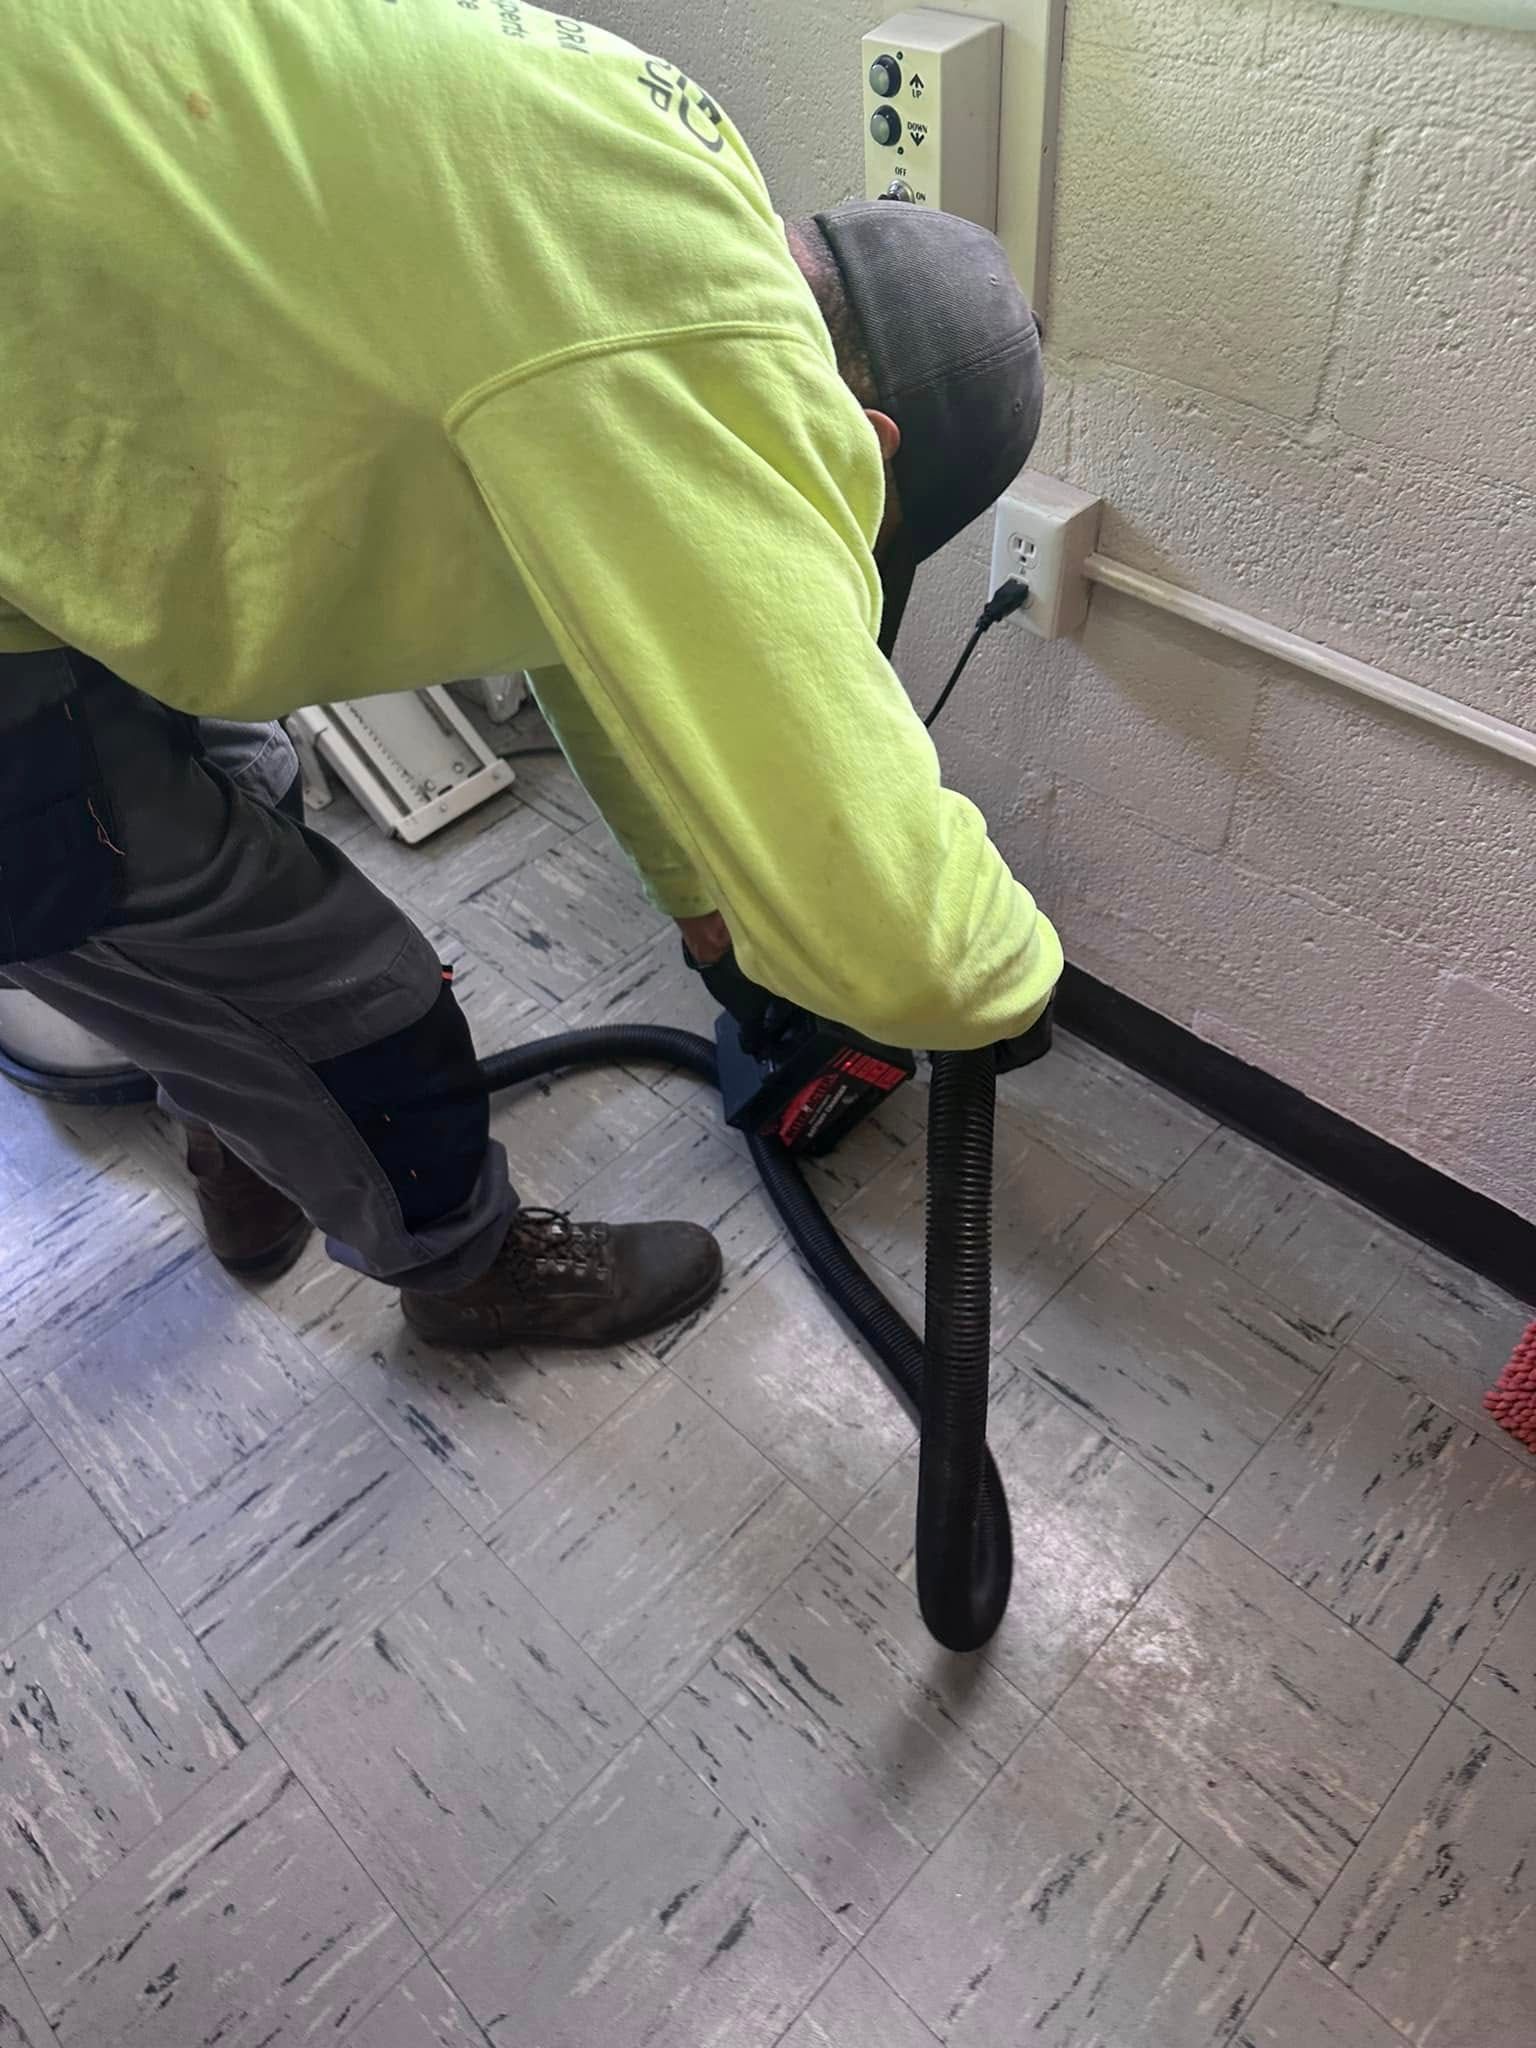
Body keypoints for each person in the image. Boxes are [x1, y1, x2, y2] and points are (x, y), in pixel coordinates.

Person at [0, 0, 1062, 1350]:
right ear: (871, 437)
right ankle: (464, 1271)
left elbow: (587, 615)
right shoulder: (690, 362)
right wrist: (1010, 984)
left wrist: (696, 899)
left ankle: (246, 1127)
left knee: (244, 798)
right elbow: (913, 950)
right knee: (352, 996)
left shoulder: (661, 175)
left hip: (56, 420)